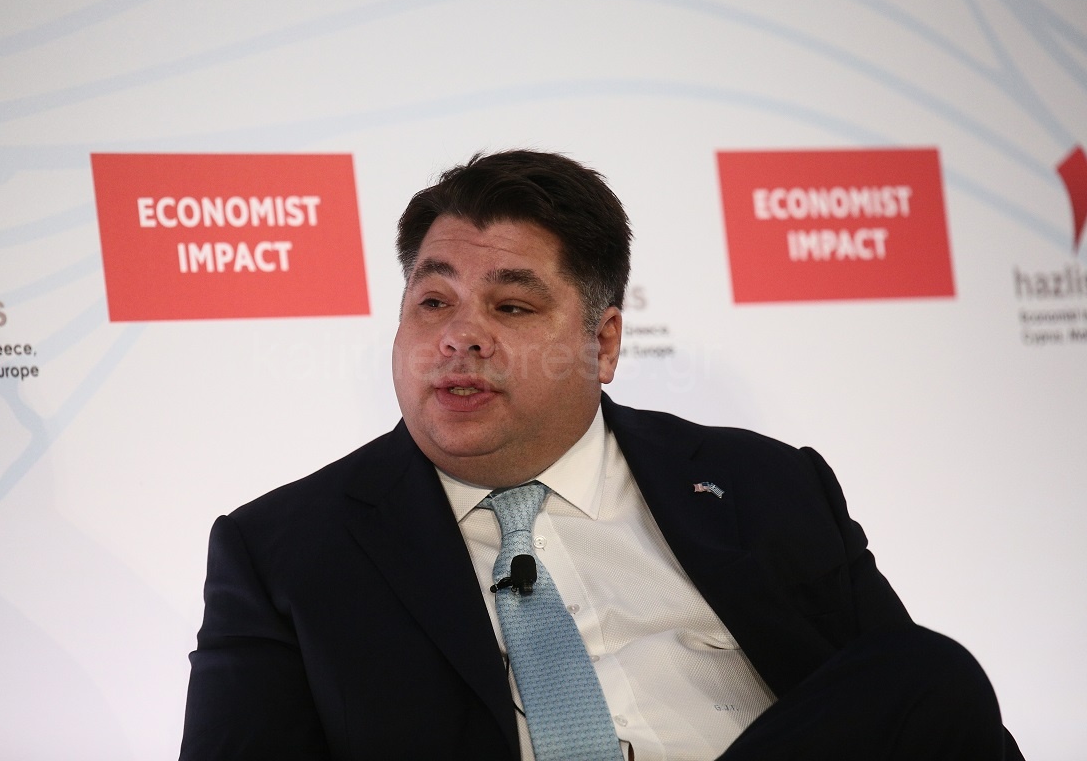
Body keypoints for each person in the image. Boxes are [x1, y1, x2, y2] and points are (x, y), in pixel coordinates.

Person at [179, 150, 1023, 760]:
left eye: (512, 307)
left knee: (928, 674)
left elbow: (909, 719)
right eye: (433, 301)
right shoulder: (284, 550)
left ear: (604, 342)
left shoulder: (764, 485)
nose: (460, 336)